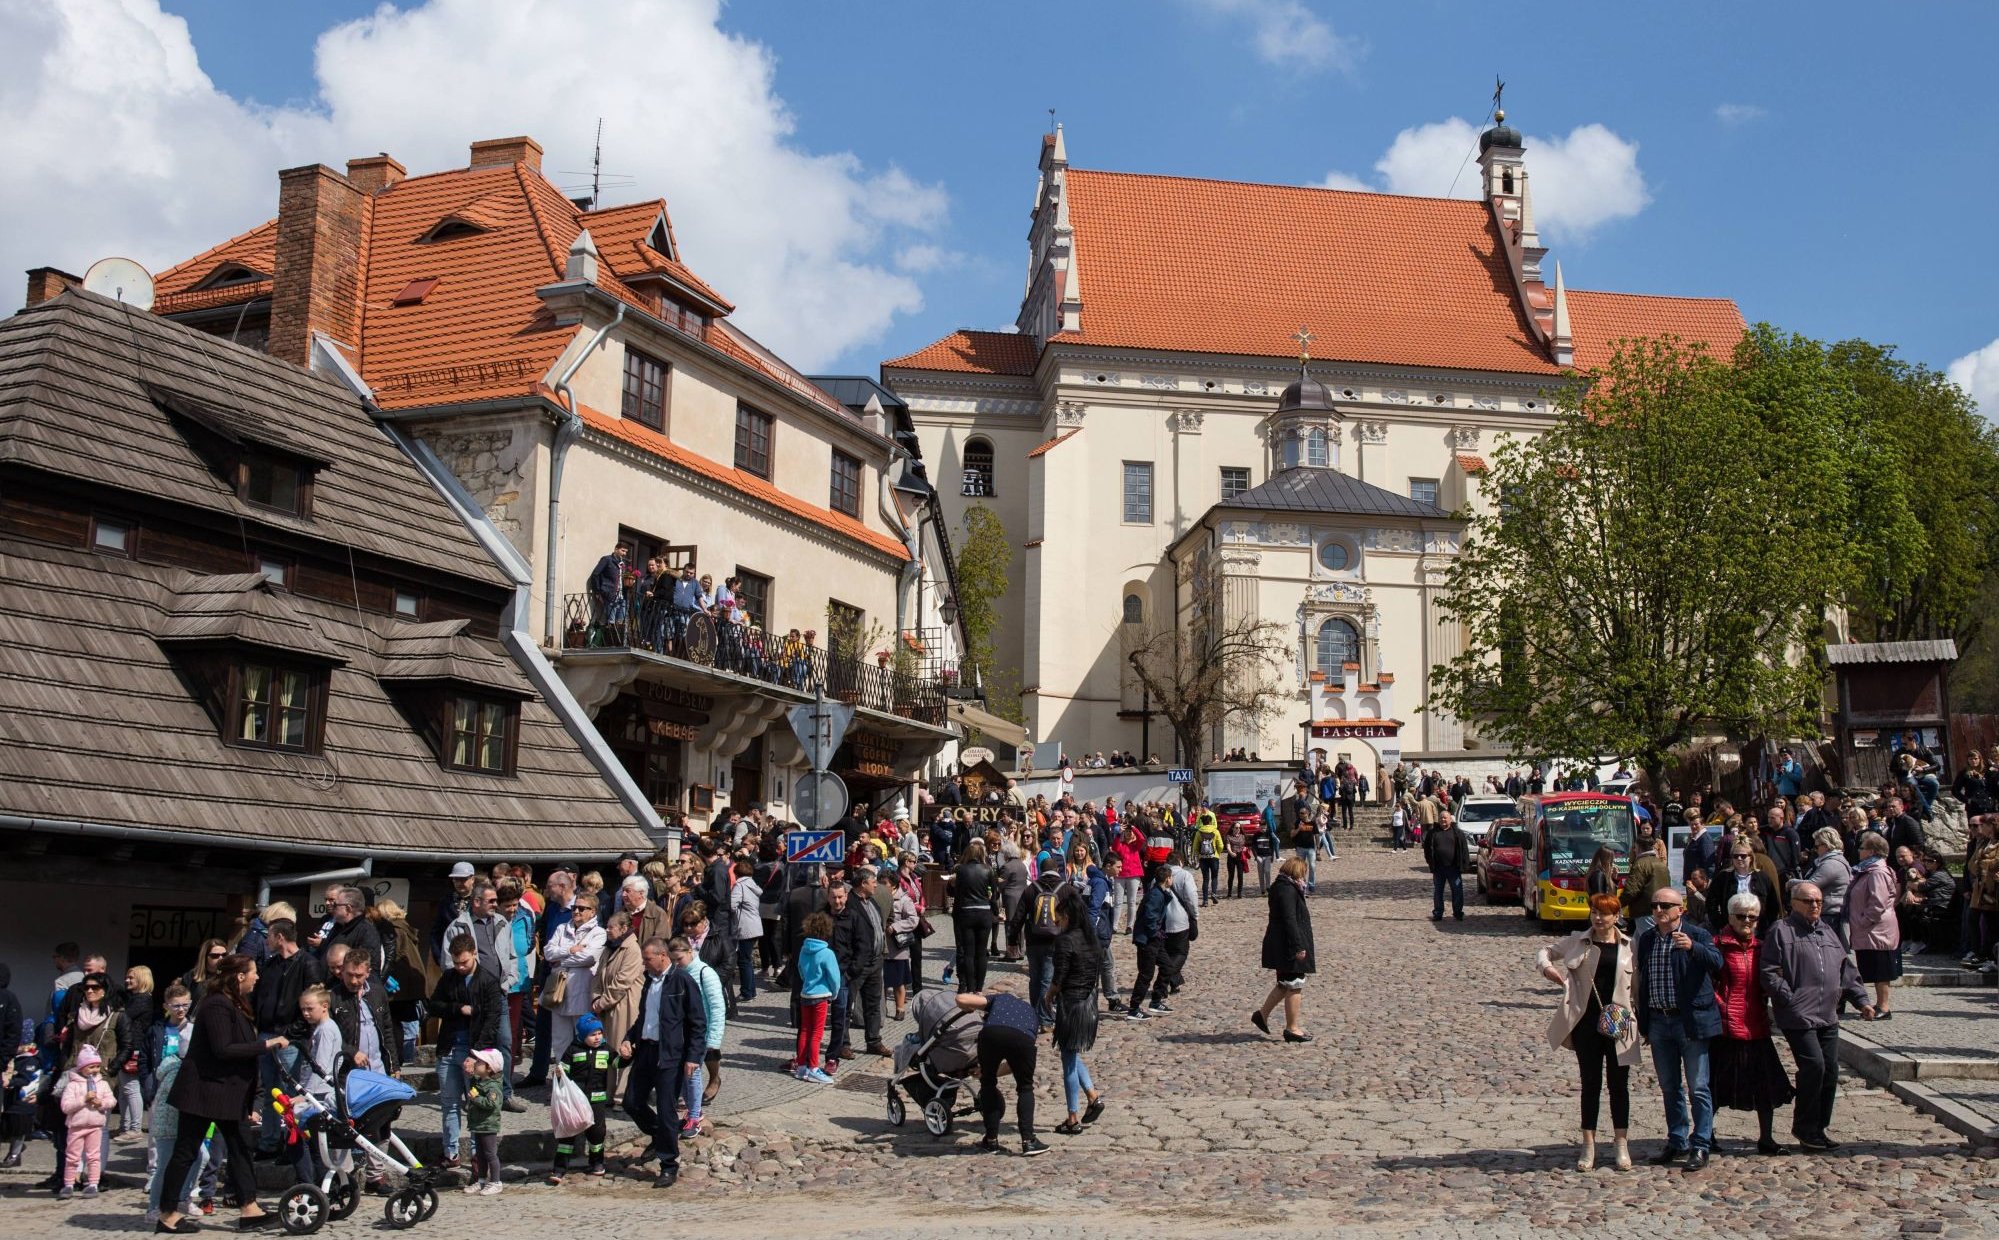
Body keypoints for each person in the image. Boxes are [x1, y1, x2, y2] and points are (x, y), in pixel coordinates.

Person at [155, 955, 285, 1233]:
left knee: (240, 1148)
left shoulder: (235, 1005)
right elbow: (223, 1048)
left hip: (227, 1094)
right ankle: (167, 1214)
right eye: (253, 973)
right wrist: (266, 1045)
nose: (257, 977)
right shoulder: (215, 1004)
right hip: (203, 1093)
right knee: (186, 1151)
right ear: (239, 976)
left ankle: (249, 1209)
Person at [1757, 881, 1875, 1151]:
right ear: (1794, 903)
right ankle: (1804, 1126)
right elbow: (1769, 972)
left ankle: (1818, 1128)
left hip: (1828, 1015)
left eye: (1819, 901)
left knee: (1831, 1071)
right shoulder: (1782, 930)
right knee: (1814, 1066)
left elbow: (1846, 970)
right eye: (1808, 901)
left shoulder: (1828, 932)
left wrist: (1861, 1001)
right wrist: (1789, 999)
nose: (1815, 906)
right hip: (1798, 1015)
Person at [1537, 893, 1638, 1172]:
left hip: (1619, 1024)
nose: (1597, 917)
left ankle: (1621, 1144)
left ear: (1616, 916)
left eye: (1604, 913)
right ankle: (1588, 1145)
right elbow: (1545, 951)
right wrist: (1548, 970)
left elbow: (1638, 987)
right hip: (1586, 1023)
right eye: (1594, 911)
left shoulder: (1630, 947)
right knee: (1590, 1084)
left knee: (1619, 1086)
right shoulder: (1577, 940)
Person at [1633, 887, 1721, 1170]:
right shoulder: (1647, 939)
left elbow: (1718, 963)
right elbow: (1642, 981)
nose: (1659, 911)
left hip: (1690, 1022)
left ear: (1679, 909)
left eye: (1665, 906)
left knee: (1698, 1087)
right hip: (1659, 1021)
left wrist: (1693, 949)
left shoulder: (1697, 935)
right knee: (1670, 1086)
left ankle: (1701, 1144)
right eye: (1655, 905)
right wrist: (1644, 1021)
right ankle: (1677, 1139)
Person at [1709, 893, 1794, 1155]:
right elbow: (1707, 983)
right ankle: (1705, 1134)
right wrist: (1721, 1005)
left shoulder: (1763, 948)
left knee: (1765, 1085)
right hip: (1725, 1026)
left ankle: (1766, 1138)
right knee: (1715, 1085)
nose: (1747, 921)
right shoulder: (1717, 945)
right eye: (1741, 916)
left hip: (1756, 1025)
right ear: (1730, 917)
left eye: (1752, 917)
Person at [620, 937, 706, 1189]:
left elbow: (697, 1022)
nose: (644, 964)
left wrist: (693, 1057)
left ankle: (668, 1165)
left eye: (647, 959)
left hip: (671, 1054)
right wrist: (629, 1039)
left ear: (662, 957)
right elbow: (644, 1018)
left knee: (667, 1108)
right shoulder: (649, 982)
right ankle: (661, 1135)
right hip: (646, 1049)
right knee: (632, 1101)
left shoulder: (682, 981)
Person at [249, 919, 324, 1160]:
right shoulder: (271, 965)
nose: (266, 941)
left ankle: (293, 1145)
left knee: (291, 1094)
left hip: (291, 1039)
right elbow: (261, 998)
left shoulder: (308, 964)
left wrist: (290, 1034)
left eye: (269, 936)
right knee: (271, 1092)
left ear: (280, 937)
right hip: (267, 1034)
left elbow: (311, 1004)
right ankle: (269, 1142)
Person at [432, 933, 502, 1171]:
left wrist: (477, 1055)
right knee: (449, 1103)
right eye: (456, 963)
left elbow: (492, 1021)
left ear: (474, 954)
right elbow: (434, 1005)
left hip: (474, 1050)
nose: (460, 967)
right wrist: (458, 1008)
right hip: (449, 1047)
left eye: (464, 962)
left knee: (475, 1102)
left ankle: (476, 1155)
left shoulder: (488, 981)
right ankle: (450, 1152)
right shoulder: (449, 977)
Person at [956, 987, 1049, 1157]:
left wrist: (972, 1006)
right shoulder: (1031, 1014)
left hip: (992, 1035)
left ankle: (991, 1141)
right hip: (1023, 1039)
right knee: (1025, 1087)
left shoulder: (999, 998)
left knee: (988, 1083)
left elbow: (961, 999)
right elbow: (1016, 1064)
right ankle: (1028, 1141)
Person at [1047, 888, 1106, 1134]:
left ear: (1067, 916)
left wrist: (1048, 995)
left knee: (1068, 1060)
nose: (1056, 923)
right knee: (1071, 1052)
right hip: (1089, 1003)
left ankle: (1072, 1117)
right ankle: (1093, 1095)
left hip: (1071, 1005)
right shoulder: (1091, 940)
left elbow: (1059, 977)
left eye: (1058, 918)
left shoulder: (1065, 941)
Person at [1251, 857, 1316, 1043]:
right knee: (1295, 983)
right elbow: (1289, 919)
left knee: (1284, 983)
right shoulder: (1287, 890)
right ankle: (1292, 1028)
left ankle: (1261, 1015)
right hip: (1287, 944)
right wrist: (1298, 946)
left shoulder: (1282, 886)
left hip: (1281, 942)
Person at [548, 1013, 618, 1184]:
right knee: (567, 1133)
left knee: (597, 1133)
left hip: (597, 1099)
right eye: (592, 1035)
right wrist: (558, 1073)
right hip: (576, 1100)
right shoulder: (573, 1050)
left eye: (599, 1033)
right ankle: (559, 1169)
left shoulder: (606, 1049)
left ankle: (597, 1163)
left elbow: (617, 1063)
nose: (597, 1038)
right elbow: (563, 1070)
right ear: (581, 1035)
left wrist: (627, 1055)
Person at [668, 936, 725, 1137]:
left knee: (692, 1074)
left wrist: (713, 1040)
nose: (676, 964)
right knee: (683, 1074)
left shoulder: (705, 974)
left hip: (700, 1033)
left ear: (690, 952)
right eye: (672, 960)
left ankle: (694, 1115)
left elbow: (717, 1007)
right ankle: (689, 1110)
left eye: (679, 959)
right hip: (681, 1034)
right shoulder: (675, 974)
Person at [543, 893, 606, 1066]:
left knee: (583, 1038)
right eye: (574, 907)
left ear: (592, 912)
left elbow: (589, 958)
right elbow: (548, 952)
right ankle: (562, 1077)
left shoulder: (599, 933)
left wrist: (560, 959)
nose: (576, 911)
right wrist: (571, 950)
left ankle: (581, 1078)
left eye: (581, 908)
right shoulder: (562, 928)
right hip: (558, 993)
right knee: (559, 1040)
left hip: (581, 992)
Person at [1846, 831, 1902, 1019]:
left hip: (1876, 929)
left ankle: (1884, 1007)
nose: (1858, 851)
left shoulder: (1877, 872)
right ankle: (1878, 1004)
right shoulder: (1865, 870)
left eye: (1861, 848)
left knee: (1881, 970)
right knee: (1873, 968)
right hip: (1868, 929)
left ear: (1871, 852)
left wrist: (1863, 921)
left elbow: (1878, 903)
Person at [58, 1044, 113, 1200]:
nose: (95, 1070)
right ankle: (68, 1183)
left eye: (97, 1066)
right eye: (91, 1067)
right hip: (76, 1126)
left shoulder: (103, 1084)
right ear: (82, 1068)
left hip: (95, 1125)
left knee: (94, 1156)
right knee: (72, 1156)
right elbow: (66, 1107)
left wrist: (100, 1103)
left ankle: (93, 1184)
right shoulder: (72, 1085)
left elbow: (112, 1101)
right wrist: (84, 1100)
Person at [792, 913, 840, 1083]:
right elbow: (834, 977)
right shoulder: (827, 953)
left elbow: (800, 970)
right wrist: (834, 993)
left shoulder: (803, 950)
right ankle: (813, 1067)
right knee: (816, 1033)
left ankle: (801, 1066)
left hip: (806, 993)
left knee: (805, 1030)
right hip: (821, 996)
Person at [1126, 864, 1174, 1020]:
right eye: (1171, 877)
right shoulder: (1155, 895)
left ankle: (1156, 1000)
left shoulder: (1160, 893)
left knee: (1167, 966)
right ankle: (1134, 1008)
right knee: (1146, 974)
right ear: (1167, 879)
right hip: (1148, 940)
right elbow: (1149, 918)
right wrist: (1155, 933)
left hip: (1156, 939)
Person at [950, 841, 997, 992]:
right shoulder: (988, 870)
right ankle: (979, 987)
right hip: (984, 911)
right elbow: (994, 895)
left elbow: (958, 894)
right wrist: (995, 912)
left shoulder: (961, 870)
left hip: (967, 912)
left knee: (969, 953)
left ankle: (970, 986)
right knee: (982, 952)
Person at [1424, 811, 1471, 921]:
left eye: (1445, 818)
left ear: (1450, 819)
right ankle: (1438, 912)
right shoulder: (1433, 833)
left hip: (1454, 868)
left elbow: (1464, 850)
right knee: (1438, 891)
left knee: (1457, 890)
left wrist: (1465, 864)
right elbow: (1427, 849)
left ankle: (1458, 912)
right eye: (1441, 818)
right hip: (1438, 868)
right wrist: (1430, 862)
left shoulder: (1457, 833)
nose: (1443, 820)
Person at [727, 859, 763, 1002]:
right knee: (746, 960)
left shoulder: (739, 886)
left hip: (745, 926)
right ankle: (751, 990)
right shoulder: (752, 884)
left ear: (737, 874)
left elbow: (731, 905)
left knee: (744, 961)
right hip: (754, 924)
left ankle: (746, 992)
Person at [1192, 811, 1226, 906]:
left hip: (1203, 858)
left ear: (1202, 822)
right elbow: (1221, 845)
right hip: (1214, 857)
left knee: (1205, 879)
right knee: (1214, 877)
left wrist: (1198, 855)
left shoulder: (1199, 832)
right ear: (1210, 822)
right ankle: (1214, 893)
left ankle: (1205, 900)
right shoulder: (1215, 831)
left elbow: (1195, 846)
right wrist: (1217, 853)